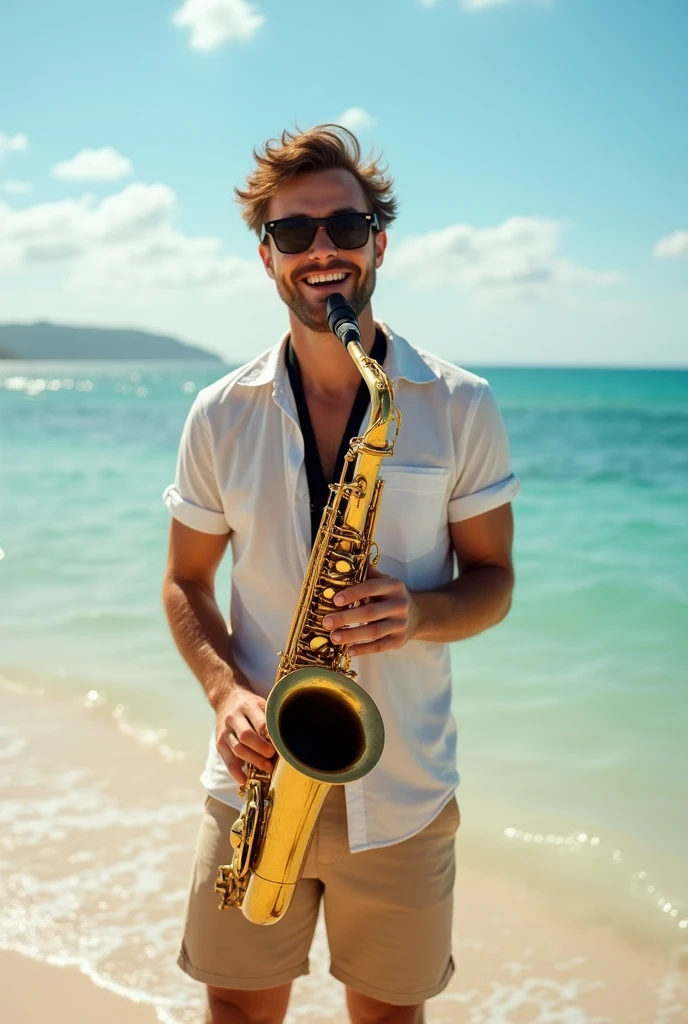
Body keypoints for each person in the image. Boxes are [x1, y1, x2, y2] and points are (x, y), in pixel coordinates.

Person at [162, 124, 519, 1024]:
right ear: (266, 257)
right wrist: (223, 695)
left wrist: (417, 614)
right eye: (294, 233)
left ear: (378, 243)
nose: (322, 250)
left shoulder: (458, 404)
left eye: (344, 228)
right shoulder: (219, 413)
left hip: (400, 787)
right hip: (253, 775)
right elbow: (185, 582)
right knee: (239, 1010)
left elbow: (495, 580)